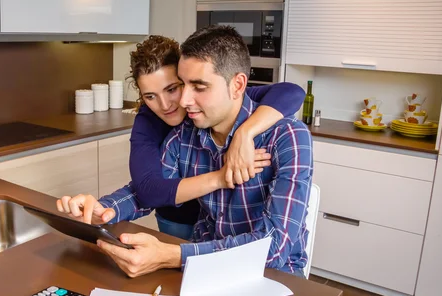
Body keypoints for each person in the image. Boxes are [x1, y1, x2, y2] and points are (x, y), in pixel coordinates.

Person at [58, 26, 313, 278]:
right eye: (184, 85)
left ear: (237, 86)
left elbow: (274, 248)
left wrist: (172, 256)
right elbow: (147, 190)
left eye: (199, 87)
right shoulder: (185, 134)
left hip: (274, 280)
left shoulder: (287, 136)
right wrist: (104, 209)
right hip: (202, 272)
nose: (182, 101)